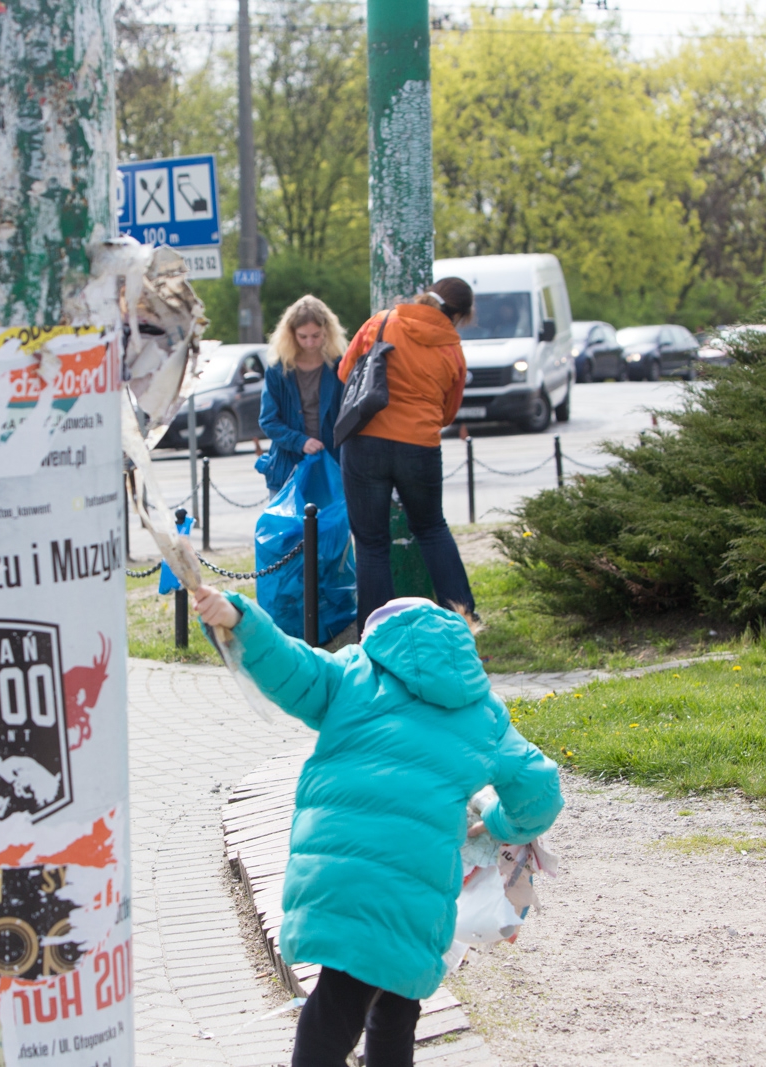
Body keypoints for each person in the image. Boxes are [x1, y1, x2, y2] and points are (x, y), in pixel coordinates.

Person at [191, 585, 564, 1067]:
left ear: (378, 638)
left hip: (337, 871)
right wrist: (499, 820)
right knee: (392, 1003)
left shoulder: (353, 672)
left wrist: (240, 620)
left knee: (349, 1001)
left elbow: (290, 666)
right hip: (416, 887)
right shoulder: (482, 711)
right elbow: (539, 789)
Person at [338, 278, 476, 627]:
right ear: (460, 314)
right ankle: (463, 619)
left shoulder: (381, 322)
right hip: (419, 447)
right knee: (432, 529)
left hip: (366, 440)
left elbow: (345, 371)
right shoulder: (452, 349)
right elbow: (448, 412)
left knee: (371, 544)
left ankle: (377, 630)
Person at [256, 295, 348, 493]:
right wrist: (301, 442)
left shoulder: (339, 366)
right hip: (288, 468)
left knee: (333, 515)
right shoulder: (278, 369)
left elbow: (350, 416)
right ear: (291, 334)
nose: (310, 343)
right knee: (288, 516)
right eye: (303, 337)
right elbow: (268, 420)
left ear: (327, 332)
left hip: (333, 465)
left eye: (316, 335)